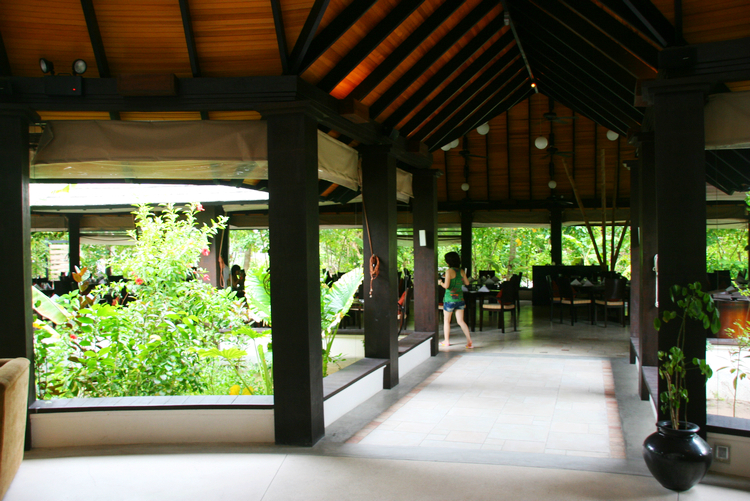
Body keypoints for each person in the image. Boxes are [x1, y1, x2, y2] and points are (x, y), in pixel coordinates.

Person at [439, 251, 473, 349]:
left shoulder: (449, 271)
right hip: (460, 299)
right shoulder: (461, 271)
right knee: (461, 321)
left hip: (449, 299)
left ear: (448, 262)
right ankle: (469, 341)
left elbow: (446, 286)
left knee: (447, 320)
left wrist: (440, 282)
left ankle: (446, 341)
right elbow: (467, 283)